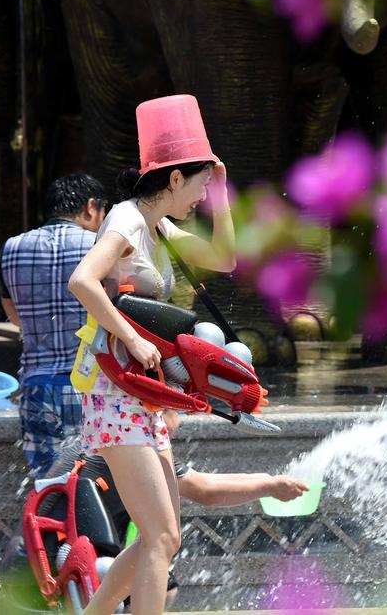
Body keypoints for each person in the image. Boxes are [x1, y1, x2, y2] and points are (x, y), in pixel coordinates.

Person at [67, 94, 250, 615]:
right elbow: (83, 280)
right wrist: (133, 336)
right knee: (161, 534)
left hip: (141, 396)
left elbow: (224, 257)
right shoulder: (126, 219)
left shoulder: (159, 227)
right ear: (173, 180)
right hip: (115, 392)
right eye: (197, 186)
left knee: (161, 538)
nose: (199, 197)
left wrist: (223, 197)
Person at [2, 409, 307, 611]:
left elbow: (199, 481)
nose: (180, 422)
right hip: (52, 571)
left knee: (161, 576)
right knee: (157, 571)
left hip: (28, 568)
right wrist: (269, 487)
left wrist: (270, 482)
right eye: (176, 410)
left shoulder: (108, 433)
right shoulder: (131, 439)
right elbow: (205, 491)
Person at [0, 172, 110, 477]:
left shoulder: (10, 249)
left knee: (51, 486)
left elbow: (15, 316)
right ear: (91, 207)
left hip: (38, 386)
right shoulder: (102, 246)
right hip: (94, 384)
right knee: (102, 484)